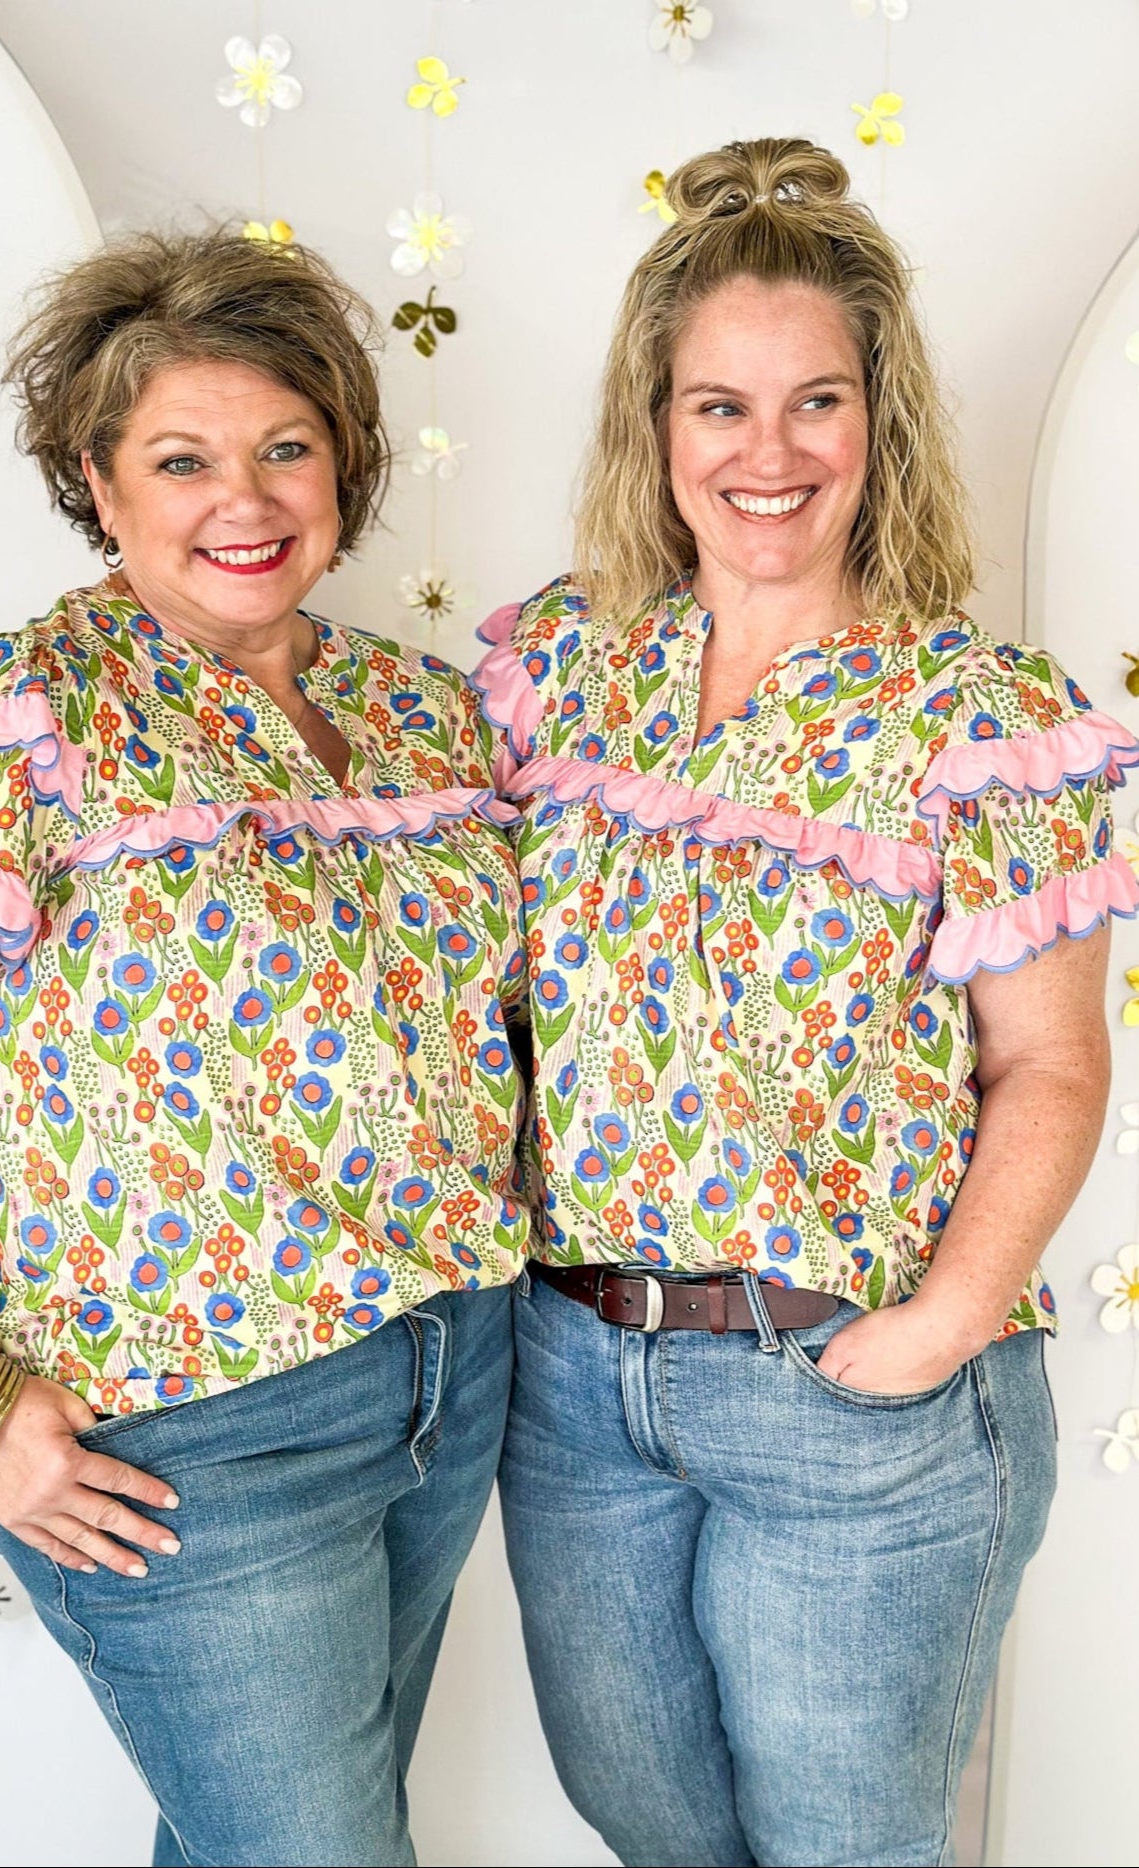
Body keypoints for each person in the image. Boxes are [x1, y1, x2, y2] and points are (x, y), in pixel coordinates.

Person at [0, 230, 530, 1868]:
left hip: (449, 1370)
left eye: (286, 447)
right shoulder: (5, 721)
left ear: (343, 463)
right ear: (98, 479)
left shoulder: (426, 716)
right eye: (182, 458)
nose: (246, 499)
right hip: (185, 1433)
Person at [474, 137, 1138, 1868]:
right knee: (645, 1813)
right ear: (656, 426)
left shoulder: (981, 714)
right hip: (576, 1376)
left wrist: (930, 1333)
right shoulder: (562, 664)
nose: (765, 456)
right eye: (718, 408)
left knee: (842, 1842)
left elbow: (1055, 1068)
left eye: (814, 402)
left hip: (856, 1386)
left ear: (878, 422)